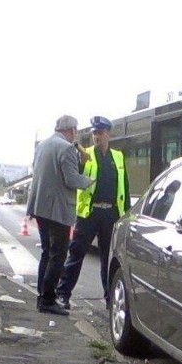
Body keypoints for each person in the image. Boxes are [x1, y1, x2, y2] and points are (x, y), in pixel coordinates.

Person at [56, 115, 130, 309]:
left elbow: (125, 188)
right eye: (94, 133)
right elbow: (74, 177)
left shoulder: (118, 157)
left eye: (100, 133)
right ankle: (63, 294)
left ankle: (109, 299)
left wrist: (127, 215)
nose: (96, 136)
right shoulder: (84, 154)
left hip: (111, 215)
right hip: (88, 213)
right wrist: (80, 162)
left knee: (108, 260)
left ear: (108, 134)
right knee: (76, 255)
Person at [26, 115, 94, 316]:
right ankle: (47, 300)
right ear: (71, 130)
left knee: (47, 253)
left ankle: (42, 294)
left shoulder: (42, 146)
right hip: (58, 211)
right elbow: (72, 180)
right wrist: (89, 180)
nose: (77, 135)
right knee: (58, 255)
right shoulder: (66, 148)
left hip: (40, 208)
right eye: (77, 131)